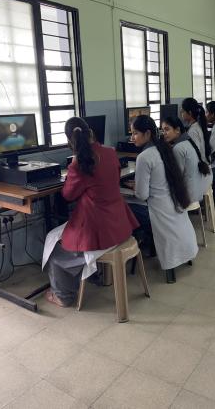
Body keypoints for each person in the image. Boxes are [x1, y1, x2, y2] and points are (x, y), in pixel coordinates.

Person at [42, 117, 139, 307]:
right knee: (60, 237)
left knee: (54, 248)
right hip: (119, 224)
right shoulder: (110, 153)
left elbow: (68, 195)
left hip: (99, 230)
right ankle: (88, 276)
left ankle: (63, 295)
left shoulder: (79, 163)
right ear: (91, 133)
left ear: (70, 141)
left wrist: (72, 170)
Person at [128, 115, 197, 283]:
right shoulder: (164, 149)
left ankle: (134, 252)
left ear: (147, 134)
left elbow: (142, 195)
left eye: (135, 133)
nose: (132, 138)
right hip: (174, 204)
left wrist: (135, 187)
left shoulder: (144, 157)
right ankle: (151, 248)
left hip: (157, 210)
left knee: (125, 206)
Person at [161, 117, 212, 204]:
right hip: (199, 190)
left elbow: (177, 177)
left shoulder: (178, 148)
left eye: (167, 129)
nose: (164, 133)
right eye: (162, 130)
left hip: (188, 195)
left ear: (177, 130)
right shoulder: (187, 141)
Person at [181, 98, 212, 166]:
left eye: (183, 111)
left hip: (200, 168)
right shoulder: (197, 126)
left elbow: (195, 154)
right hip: (204, 165)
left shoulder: (193, 131)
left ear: (190, 113)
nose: (181, 113)